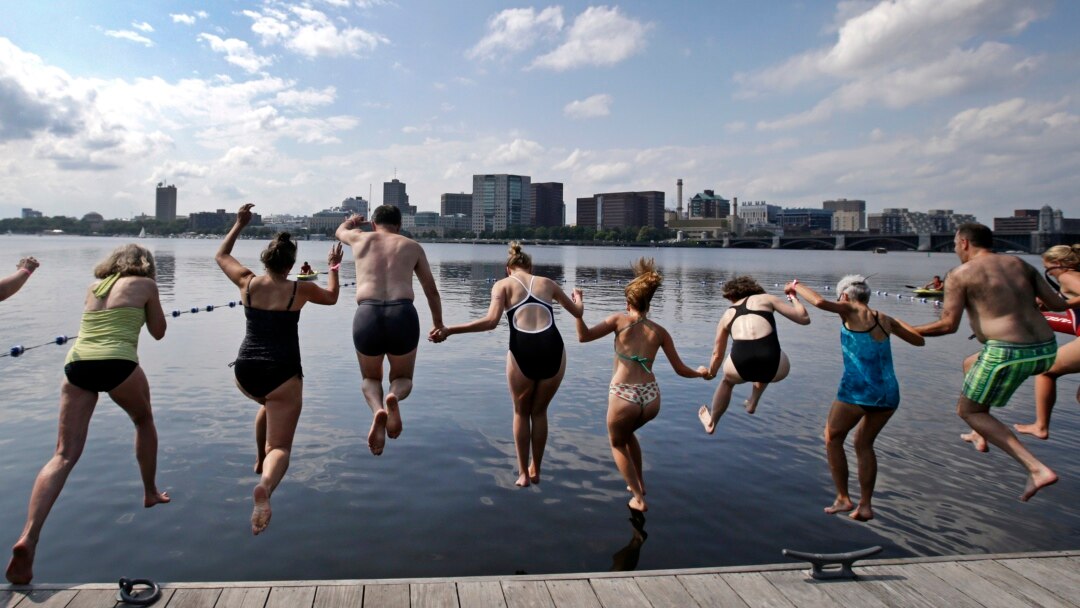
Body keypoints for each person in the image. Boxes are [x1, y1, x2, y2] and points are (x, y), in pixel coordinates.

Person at [6, 244, 169, 585]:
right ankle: (150, 490)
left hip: (77, 364)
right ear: (146, 265)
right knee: (143, 421)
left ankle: (29, 537)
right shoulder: (147, 285)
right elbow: (158, 331)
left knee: (63, 454)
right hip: (119, 362)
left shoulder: (93, 287)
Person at [913, 223, 1068, 502]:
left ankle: (1036, 469)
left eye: (954, 245)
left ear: (963, 243)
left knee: (969, 410)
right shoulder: (1019, 263)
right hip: (1046, 349)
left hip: (1008, 353)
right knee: (970, 363)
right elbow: (1057, 304)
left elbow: (948, 325)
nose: (955, 250)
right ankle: (978, 434)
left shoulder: (960, 274)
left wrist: (905, 329)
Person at [216, 203, 343, 535]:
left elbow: (221, 256)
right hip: (283, 373)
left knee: (267, 405)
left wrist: (239, 223)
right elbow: (331, 297)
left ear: (265, 260)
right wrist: (333, 266)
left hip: (246, 372)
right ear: (290, 264)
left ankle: (260, 461)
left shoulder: (247, 282)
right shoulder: (299, 289)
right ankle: (266, 485)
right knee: (281, 448)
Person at [430, 242, 583, 487]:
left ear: (507, 268)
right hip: (553, 348)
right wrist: (579, 299)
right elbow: (577, 313)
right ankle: (537, 469)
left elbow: (491, 322)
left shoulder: (502, 285)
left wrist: (450, 330)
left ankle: (522, 473)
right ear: (530, 266)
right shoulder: (548, 283)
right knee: (540, 412)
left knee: (521, 412)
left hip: (523, 348)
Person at [575, 258, 708, 512]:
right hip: (651, 398)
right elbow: (681, 370)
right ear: (649, 304)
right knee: (628, 435)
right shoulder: (659, 331)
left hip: (624, 396)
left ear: (628, 303)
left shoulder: (619, 321)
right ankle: (640, 483)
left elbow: (583, 336)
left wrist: (577, 309)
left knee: (616, 443)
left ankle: (638, 498)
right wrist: (700, 373)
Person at [787, 276, 924, 521]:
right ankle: (865, 505)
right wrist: (894, 324)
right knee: (863, 443)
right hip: (889, 393)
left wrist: (795, 286)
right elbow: (918, 340)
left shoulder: (849, 309)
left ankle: (843, 497)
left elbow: (818, 302)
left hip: (859, 389)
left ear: (845, 296)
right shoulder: (885, 318)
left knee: (832, 437)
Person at [335, 205, 444, 456]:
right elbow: (431, 290)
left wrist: (352, 221)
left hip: (368, 313)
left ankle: (378, 410)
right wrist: (438, 323)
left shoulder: (359, 238)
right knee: (403, 378)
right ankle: (393, 396)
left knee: (370, 379)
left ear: (373, 224)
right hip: (402, 314)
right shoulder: (411, 246)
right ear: (399, 225)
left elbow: (340, 231)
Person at [698, 275, 809, 434]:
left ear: (732, 296)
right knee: (767, 354)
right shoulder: (767, 299)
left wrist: (711, 373)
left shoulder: (726, 315)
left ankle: (712, 421)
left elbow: (717, 354)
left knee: (727, 382)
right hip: (775, 366)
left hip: (740, 364)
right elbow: (804, 318)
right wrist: (793, 297)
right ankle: (753, 401)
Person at [1014, 244, 1080, 440]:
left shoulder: (1067, 276)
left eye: (1048, 270)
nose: (1049, 275)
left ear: (1058, 264)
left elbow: (1065, 302)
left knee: (1045, 370)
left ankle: (1040, 426)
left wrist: (1059, 304)